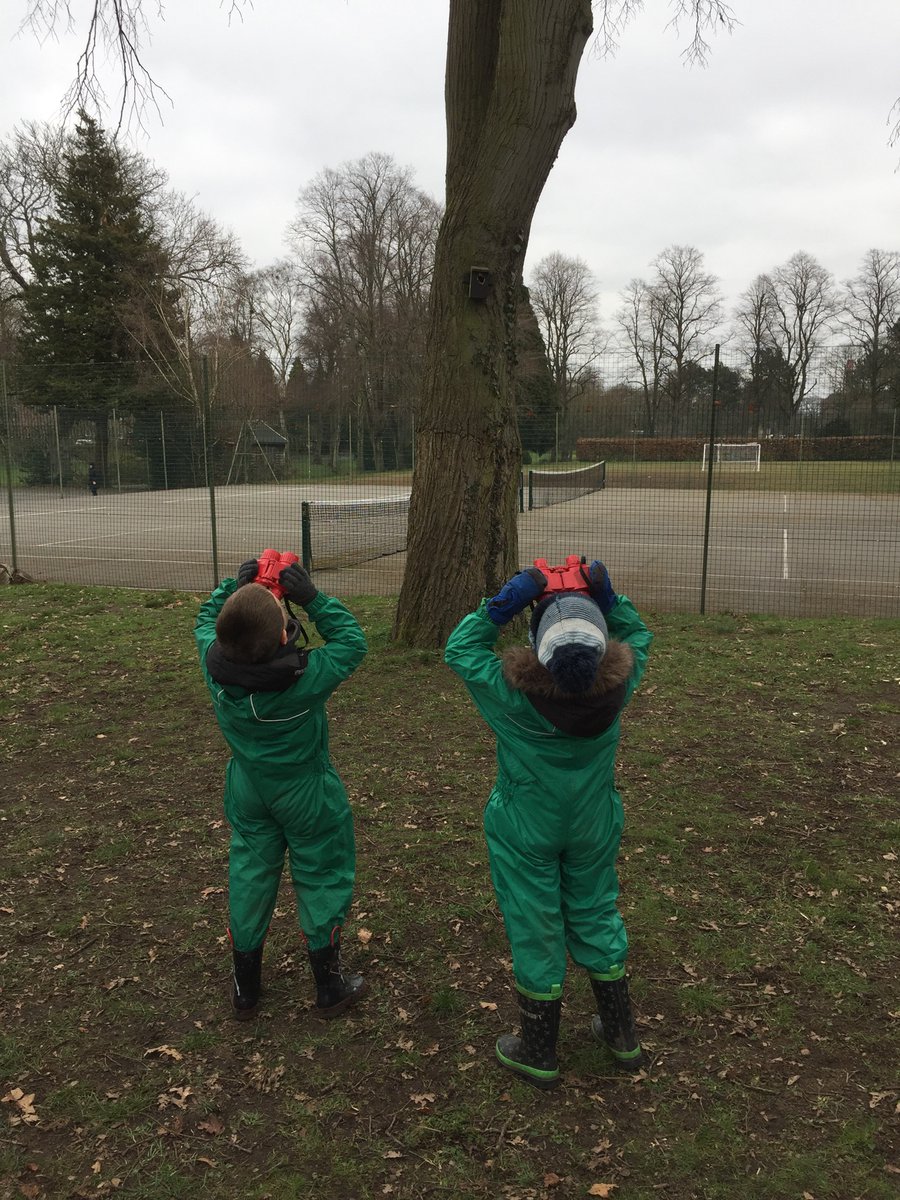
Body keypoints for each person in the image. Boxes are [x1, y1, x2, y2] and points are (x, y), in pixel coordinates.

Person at [444, 559, 652, 1089]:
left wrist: (504, 604)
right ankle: (622, 1032)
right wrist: (607, 597)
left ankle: (538, 1047)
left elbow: (460, 650)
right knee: (596, 906)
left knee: (535, 921)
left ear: (538, 644)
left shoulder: (512, 695)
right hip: (592, 820)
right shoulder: (619, 687)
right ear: (602, 645)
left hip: (525, 825)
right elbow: (639, 636)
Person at [194, 556, 369, 1021]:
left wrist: (236, 587)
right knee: (322, 874)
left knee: (250, 875)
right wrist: (311, 599)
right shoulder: (306, 677)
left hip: (250, 789)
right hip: (308, 792)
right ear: (282, 636)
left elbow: (204, 621)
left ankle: (245, 986)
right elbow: (352, 643)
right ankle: (328, 984)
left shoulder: (213, 668)